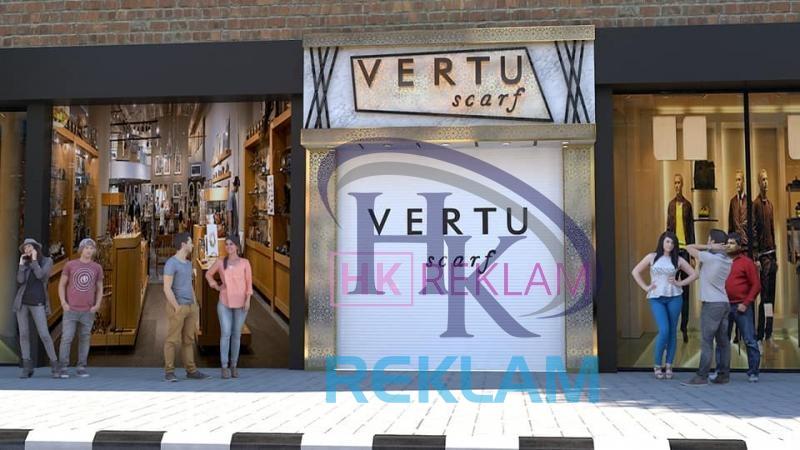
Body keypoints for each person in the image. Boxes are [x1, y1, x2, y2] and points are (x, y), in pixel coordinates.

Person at [631, 231, 698, 380]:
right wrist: (646, 287)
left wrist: (680, 283)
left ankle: (669, 365)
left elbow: (695, 274)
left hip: (675, 297)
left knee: (672, 332)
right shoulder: (651, 257)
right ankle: (657, 364)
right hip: (656, 298)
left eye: (673, 243)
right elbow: (635, 271)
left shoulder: (678, 259)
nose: (670, 245)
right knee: (664, 330)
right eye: (667, 241)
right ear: (662, 241)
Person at [682, 229, 733, 386]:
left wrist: (709, 247)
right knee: (723, 341)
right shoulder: (727, 260)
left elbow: (689, 247)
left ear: (715, 242)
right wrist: (713, 248)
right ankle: (723, 375)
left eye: (709, 240)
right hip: (724, 302)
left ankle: (702, 376)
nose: (707, 242)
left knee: (707, 341)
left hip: (712, 304)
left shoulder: (710, 258)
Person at [163, 232, 208, 382]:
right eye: (190, 242)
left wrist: (195, 305)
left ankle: (191, 370)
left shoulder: (189, 264)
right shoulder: (171, 263)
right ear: (183, 244)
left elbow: (189, 286)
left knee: (188, 340)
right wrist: (177, 307)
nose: (192, 245)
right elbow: (166, 288)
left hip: (190, 307)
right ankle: (169, 371)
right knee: (172, 340)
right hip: (178, 307)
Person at [206, 235, 252, 379]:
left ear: (237, 246)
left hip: (241, 303)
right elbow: (208, 274)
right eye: (226, 244)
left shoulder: (245, 263)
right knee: (225, 334)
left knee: (236, 334)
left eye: (231, 244)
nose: (229, 247)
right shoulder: (221, 262)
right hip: (224, 302)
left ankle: (234, 365)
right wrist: (215, 285)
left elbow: (249, 283)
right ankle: (224, 366)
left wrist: (248, 300)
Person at [58, 238, 104, 378]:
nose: (89, 250)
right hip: (70, 309)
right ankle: (63, 367)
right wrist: (63, 303)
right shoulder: (70, 265)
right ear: (81, 249)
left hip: (88, 311)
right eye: (86, 248)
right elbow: (61, 285)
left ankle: (81, 366)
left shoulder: (97, 267)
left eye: (91, 248)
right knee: (67, 338)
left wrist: (97, 304)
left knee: (85, 339)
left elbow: (100, 288)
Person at [14, 238, 59, 378]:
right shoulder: (25, 262)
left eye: (29, 247)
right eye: (25, 248)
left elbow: (41, 276)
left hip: (38, 301)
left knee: (44, 334)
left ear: (35, 248)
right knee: (24, 334)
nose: (27, 249)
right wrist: (21, 264)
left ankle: (55, 365)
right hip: (22, 302)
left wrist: (34, 260)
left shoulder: (47, 261)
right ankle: (27, 366)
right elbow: (20, 280)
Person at [721, 232, 761, 382]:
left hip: (741, 306)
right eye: (727, 243)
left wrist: (746, 303)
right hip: (724, 306)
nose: (728, 245)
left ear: (739, 246)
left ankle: (753, 372)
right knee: (722, 340)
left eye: (732, 243)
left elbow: (756, 285)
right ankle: (721, 371)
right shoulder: (721, 261)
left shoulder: (746, 262)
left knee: (749, 339)